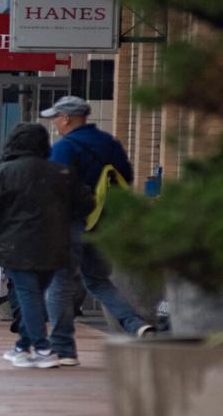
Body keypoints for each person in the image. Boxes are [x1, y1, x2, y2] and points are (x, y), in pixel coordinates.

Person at [41, 96, 154, 366]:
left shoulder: (65, 147)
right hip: (104, 223)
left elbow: (55, 187)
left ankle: (63, 349)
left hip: (72, 222)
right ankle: (135, 324)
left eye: (56, 117)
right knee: (98, 281)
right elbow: (125, 177)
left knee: (59, 282)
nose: (55, 123)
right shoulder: (109, 143)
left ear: (67, 118)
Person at [0, 123, 94, 368]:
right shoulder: (61, 172)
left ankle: (42, 348)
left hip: (15, 244)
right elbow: (85, 203)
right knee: (36, 295)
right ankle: (22, 346)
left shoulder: (5, 172)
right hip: (55, 244)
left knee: (29, 295)